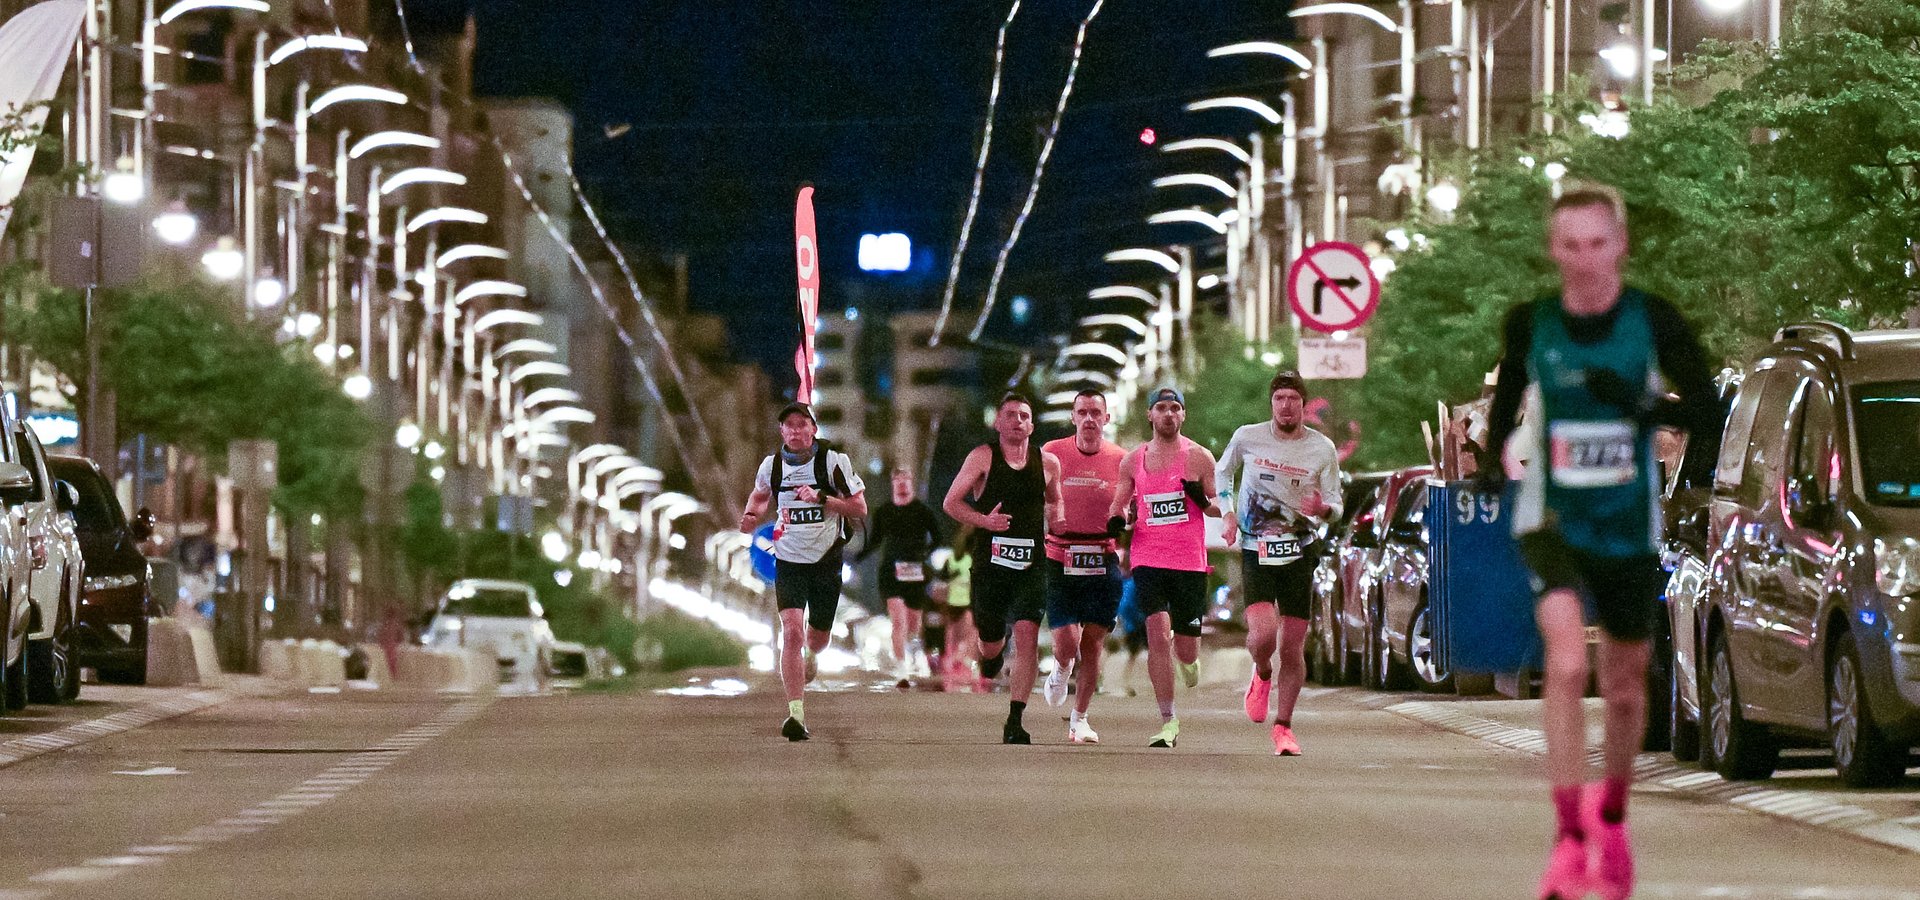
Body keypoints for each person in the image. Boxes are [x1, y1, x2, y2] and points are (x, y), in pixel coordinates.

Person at [1478, 182, 1716, 900]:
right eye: (1570, 245)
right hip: (1550, 515)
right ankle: (1568, 834)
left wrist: (1641, 407)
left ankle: (1610, 815)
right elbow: (1508, 396)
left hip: (1624, 520)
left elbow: (1707, 407)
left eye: (1598, 243)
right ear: (1554, 250)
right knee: (1566, 662)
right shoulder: (1531, 323)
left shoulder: (1654, 320)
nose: (1584, 260)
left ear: (1621, 246)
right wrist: (1492, 462)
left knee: (1621, 683)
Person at [1216, 370, 1343, 756]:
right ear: (1271, 403)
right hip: (1257, 549)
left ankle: (1284, 727)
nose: (1286, 406)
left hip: (1300, 550)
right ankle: (1262, 673)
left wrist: (1323, 508)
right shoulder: (1247, 437)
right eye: (1279, 399)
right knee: (1262, 637)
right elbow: (1223, 471)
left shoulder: (1322, 449)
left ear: (1304, 405)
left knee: (1293, 646)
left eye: (1293, 399)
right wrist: (1227, 513)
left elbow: (1336, 504)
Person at [739, 402, 868, 742]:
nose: (795, 430)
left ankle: (813, 654)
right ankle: (795, 714)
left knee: (817, 638)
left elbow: (859, 507)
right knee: (792, 632)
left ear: (813, 429)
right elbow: (759, 495)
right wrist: (751, 516)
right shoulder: (772, 466)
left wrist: (823, 499)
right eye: (788, 425)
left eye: (802, 424)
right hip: (789, 561)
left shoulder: (833, 461)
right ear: (781, 431)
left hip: (826, 561)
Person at [942, 393, 1064, 744]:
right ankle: (991, 651)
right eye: (1010, 415)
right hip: (990, 567)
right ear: (998, 423)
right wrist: (984, 520)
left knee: (1028, 637)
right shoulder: (983, 457)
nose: (1017, 421)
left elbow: (1056, 502)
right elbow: (950, 502)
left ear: (1032, 425)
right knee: (991, 642)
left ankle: (1015, 719)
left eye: (1024, 416)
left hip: (1031, 565)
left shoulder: (1048, 463)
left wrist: (1057, 523)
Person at [1108, 386, 1221, 749]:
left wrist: (1200, 499)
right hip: (1148, 558)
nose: (1169, 414)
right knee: (1157, 635)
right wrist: (1116, 520)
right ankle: (1168, 720)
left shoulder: (1200, 457)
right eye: (1161, 408)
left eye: (1175, 408)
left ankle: (1190, 661)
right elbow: (1119, 504)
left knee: (1185, 649)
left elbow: (1220, 506)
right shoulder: (1133, 460)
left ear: (1183, 415)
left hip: (1189, 561)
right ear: (1150, 415)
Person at [1038, 389, 1127, 744]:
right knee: (1067, 641)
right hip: (1059, 557)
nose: (1089, 418)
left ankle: (1080, 719)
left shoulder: (1122, 460)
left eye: (1096, 412)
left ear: (1106, 419)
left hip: (1102, 558)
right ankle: (1061, 667)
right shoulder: (1051, 454)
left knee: (1092, 645)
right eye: (1082, 412)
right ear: (1073, 418)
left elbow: (1134, 507)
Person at [857, 467, 943, 685]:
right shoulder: (884, 511)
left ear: (911, 483)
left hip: (915, 572)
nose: (902, 483)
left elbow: (938, 539)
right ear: (893, 483)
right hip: (891, 572)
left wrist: (925, 554)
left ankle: (915, 652)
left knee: (914, 625)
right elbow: (875, 540)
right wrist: (857, 556)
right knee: (898, 621)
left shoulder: (923, 511)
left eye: (906, 479)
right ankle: (901, 670)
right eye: (898, 479)